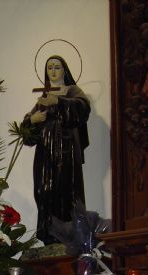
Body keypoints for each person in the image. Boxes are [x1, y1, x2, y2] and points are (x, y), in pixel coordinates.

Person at [21, 55, 91, 245]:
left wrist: (58, 102)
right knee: (44, 190)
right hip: (45, 153)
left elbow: (83, 109)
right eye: (49, 67)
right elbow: (26, 133)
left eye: (57, 67)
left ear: (64, 70)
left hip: (67, 151)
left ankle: (69, 235)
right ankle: (49, 235)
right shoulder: (43, 98)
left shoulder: (72, 90)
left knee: (66, 189)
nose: (53, 71)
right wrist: (31, 121)